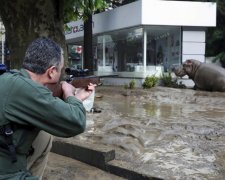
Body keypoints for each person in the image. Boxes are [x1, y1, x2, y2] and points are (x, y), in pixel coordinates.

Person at [0, 37, 95, 179]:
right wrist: (70, 94)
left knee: (43, 137)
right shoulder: (26, 90)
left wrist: (77, 98)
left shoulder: (12, 78)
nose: (61, 75)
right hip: (4, 167)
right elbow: (76, 122)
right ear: (51, 72)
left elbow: (47, 106)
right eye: (60, 70)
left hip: (5, 150)